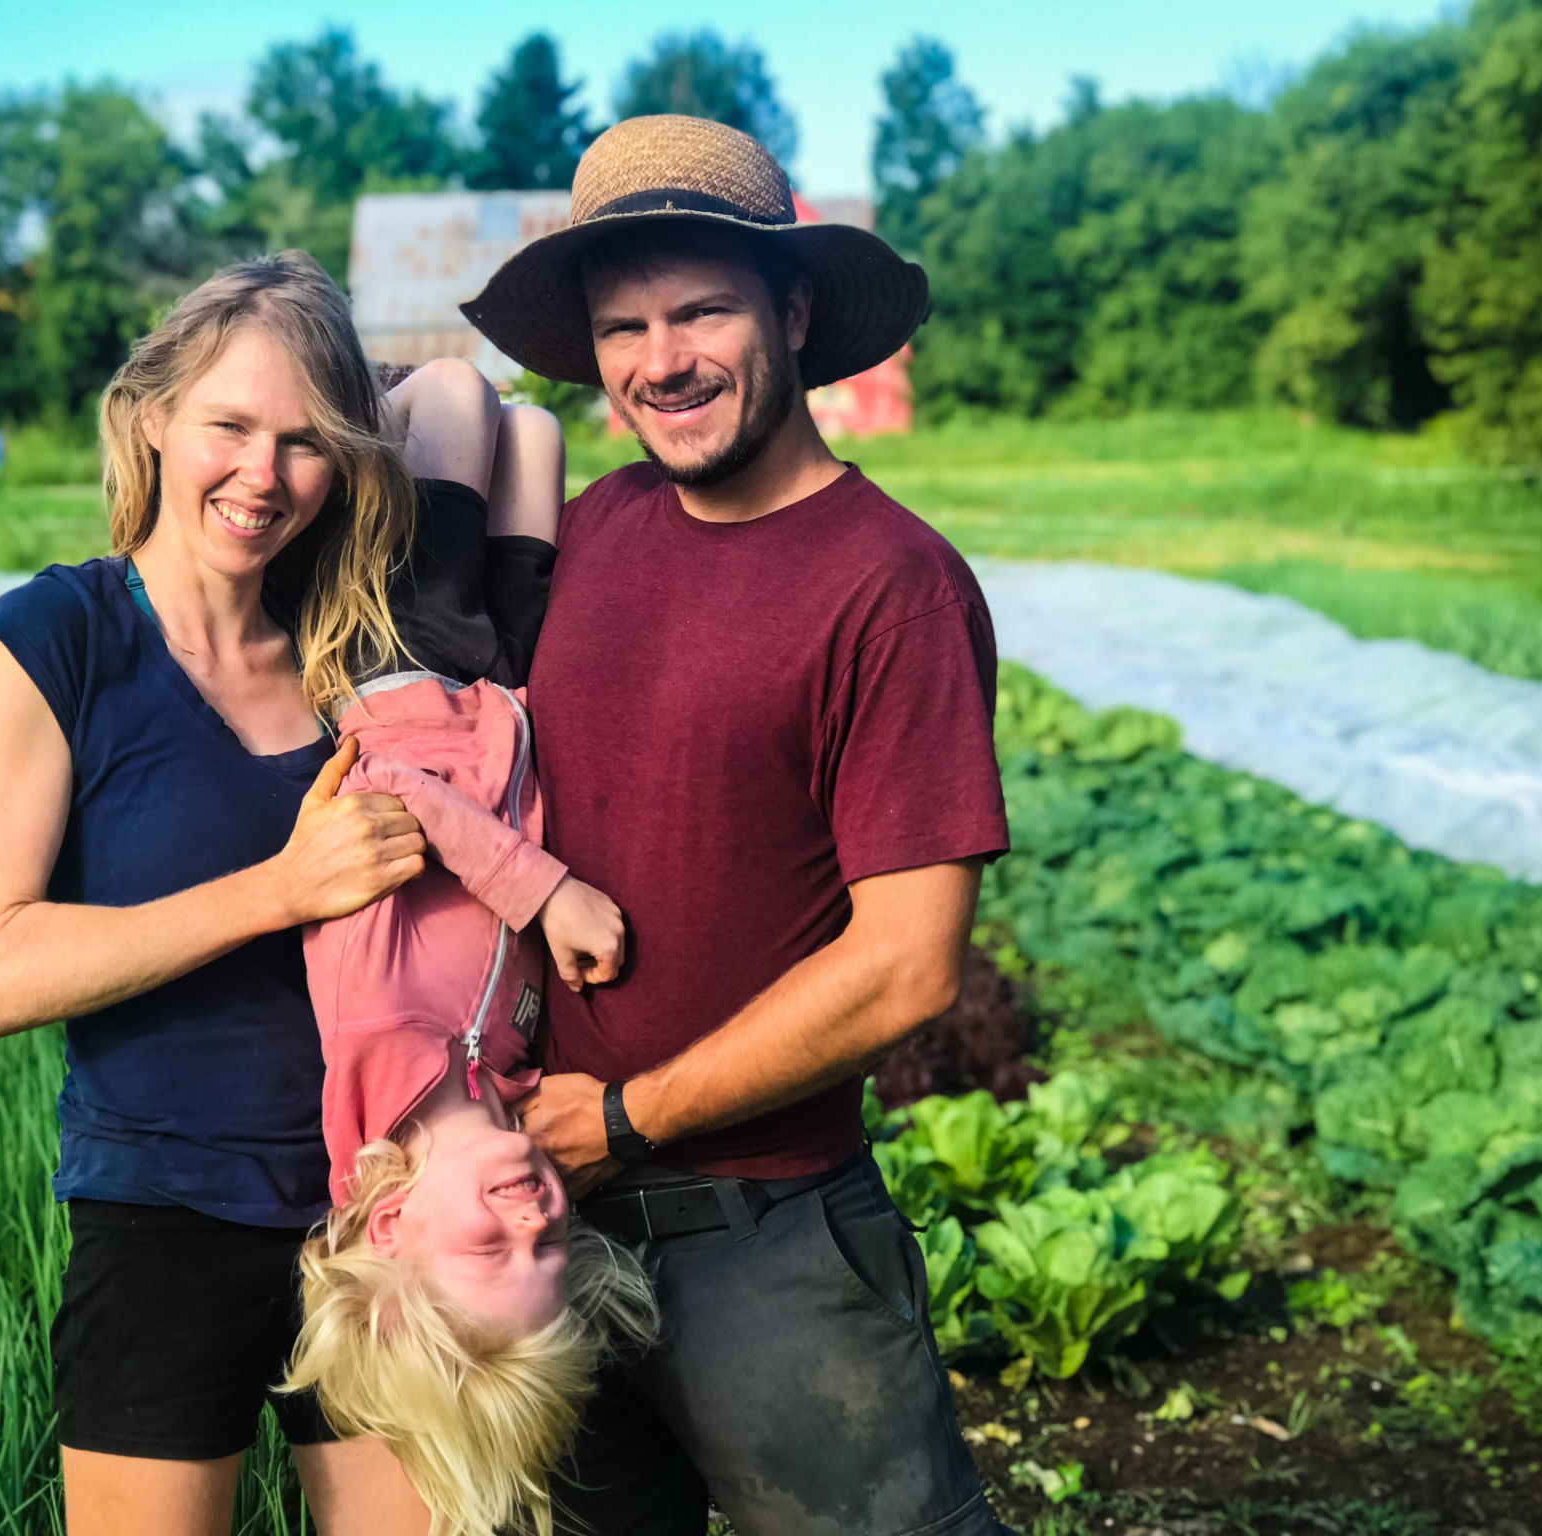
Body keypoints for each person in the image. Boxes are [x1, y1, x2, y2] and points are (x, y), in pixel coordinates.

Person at [460, 115, 1019, 1535]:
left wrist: (631, 1119)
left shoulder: (891, 588)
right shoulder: (591, 534)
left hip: (767, 1235)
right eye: (623, 326)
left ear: (796, 307)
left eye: (702, 308)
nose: (665, 360)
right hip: (545, 1220)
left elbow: (908, 964)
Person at [0, 252, 435, 1536]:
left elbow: (490, 415)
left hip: (375, 1213)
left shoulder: (354, 658)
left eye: (306, 442)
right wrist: (278, 888)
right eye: (229, 425)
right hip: (163, 1218)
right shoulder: (63, 641)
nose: (262, 476)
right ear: (151, 417)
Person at [282, 359, 657, 1536]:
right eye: (552, 1248)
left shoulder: (373, 1050)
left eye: (492, 1249)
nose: (537, 1219)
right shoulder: (509, 1085)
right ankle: (385, 425)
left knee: (451, 388)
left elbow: (378, 794)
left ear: (386, 1227)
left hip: (397, 679)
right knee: (535, 433)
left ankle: (366, 415)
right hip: (498, 699)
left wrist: (540, 891)